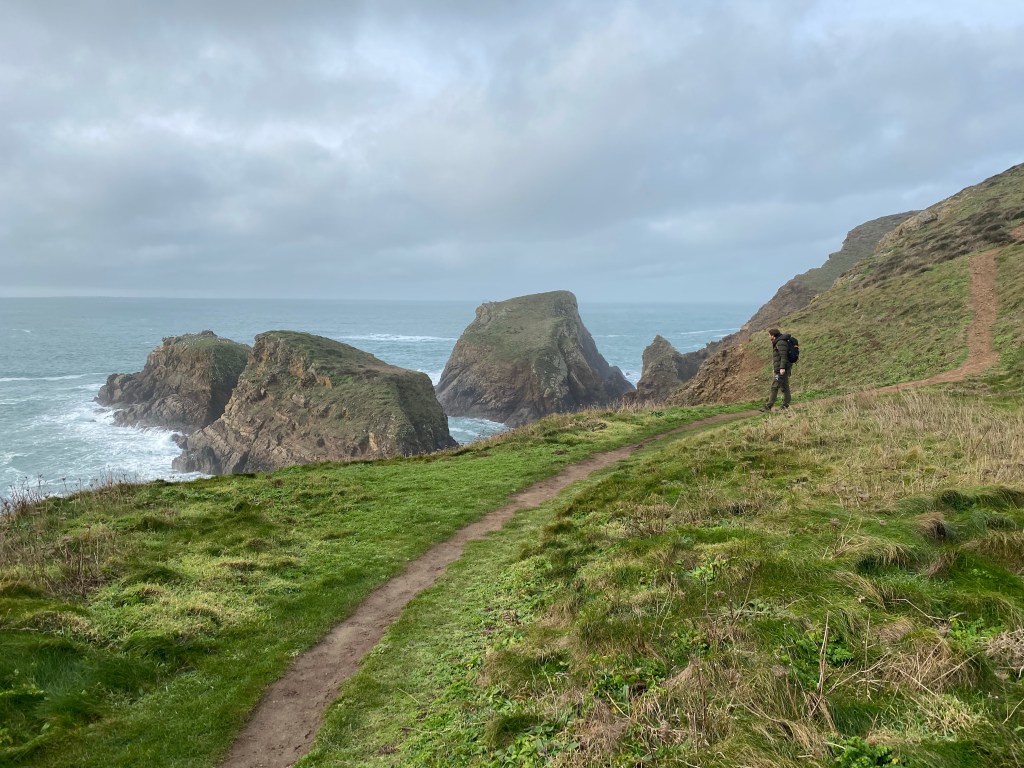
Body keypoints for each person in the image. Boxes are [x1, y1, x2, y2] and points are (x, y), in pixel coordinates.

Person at [759, 328, 793, 412]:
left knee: (774, 386)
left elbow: (783, 356)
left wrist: (781, 368)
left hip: (781, 370)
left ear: (773, 336)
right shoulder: (779, 342)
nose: (768, 336)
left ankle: (768, 406)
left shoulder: (780, 342)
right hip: (782, 369)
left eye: (769, 335)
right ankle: (785, 406)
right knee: (785, 387)